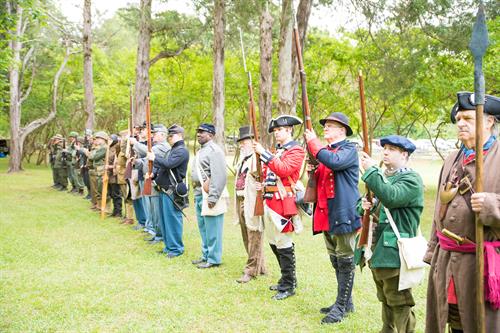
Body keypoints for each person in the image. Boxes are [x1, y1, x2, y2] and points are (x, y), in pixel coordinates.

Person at [424, 92, 500, 333]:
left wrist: (491, 206)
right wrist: (432, 250)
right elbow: (439, 208)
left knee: (482, 324)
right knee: (452, 319)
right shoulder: (451, 159)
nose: (460, 124)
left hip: (484, 265)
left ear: (489, 121)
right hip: (446, 261)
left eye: (468, 118)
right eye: (458, 119)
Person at [359, 135, 423, 332]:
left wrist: (372, 170)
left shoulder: (411, 179)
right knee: (385, 296)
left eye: (392, 149)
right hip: (378, 247)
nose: (385, 152)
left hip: (395, 249)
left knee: (399, 299)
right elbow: (371, 205)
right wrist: (364, 206)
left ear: (404, 155)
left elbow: (392, 197)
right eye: (385, 148)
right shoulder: (384, 177)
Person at [304, 112, 361, 322]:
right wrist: (312, 170)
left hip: (343, 212)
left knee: (345, 260)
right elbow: (322, 175)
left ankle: (340, 307)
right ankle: (345, 301)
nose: (325, 128)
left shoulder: (348, 149)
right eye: (325, 125)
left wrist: (313, 143)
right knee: (336, 260)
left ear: (342, 130)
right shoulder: (326, 152)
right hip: (327, 213)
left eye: (330, 125)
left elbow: (335, 162)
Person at [253, 115, 305, 300]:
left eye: (280, 130)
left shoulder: (296, 150)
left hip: (283, 203)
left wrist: (264, 154)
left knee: (284, 243)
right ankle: (285, 279)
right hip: (270, 201)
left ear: (289, 130)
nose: (276, 133)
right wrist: (264, 186)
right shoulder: (278, 150)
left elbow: (284, 170)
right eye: (275, 131)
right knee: (274, 242)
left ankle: (289, 284)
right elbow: (272, 175)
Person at [191, 123, 228, 269]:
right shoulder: (202, 150)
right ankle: (206, 255)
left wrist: (213, 198)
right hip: (199, 194)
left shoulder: (214, 151)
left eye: (202, 132)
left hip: (209, 195)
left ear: (211, 135)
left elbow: (219, 176)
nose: (199, 134)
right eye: (198, 132)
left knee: (213, 229)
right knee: (204, 228)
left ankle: (214, 259)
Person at [150, 124, 189, 258]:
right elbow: (163, 167)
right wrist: (154, 175)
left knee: (172, 220)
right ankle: (169, 246)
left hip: (172, 191)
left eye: (171, 136)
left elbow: (168, 164)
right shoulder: (173, 150)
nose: (169, 138)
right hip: (164, 189)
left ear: (179, 135)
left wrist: (154, 158)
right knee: (165, 220)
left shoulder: (181, 151)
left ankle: (176, 248)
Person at [234, 125, 267, 283]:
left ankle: (251, 270)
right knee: (246, 235)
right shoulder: (243, 158)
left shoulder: (257, 157)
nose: (242, 144)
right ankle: (260, 266)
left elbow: (265, 176)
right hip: (240, 199)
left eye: (245, 141)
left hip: (252, 200)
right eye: (241, 142)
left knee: (254, 235)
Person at [132, 124, 170, 243]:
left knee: (157, 211)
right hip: (150, 179)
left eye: (155, 134)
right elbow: (147, 159)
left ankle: (159, 235)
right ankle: (156, 233)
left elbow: (149, 153)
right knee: (152, 210)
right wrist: (137, 162)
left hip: (156, 180)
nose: (152, 136)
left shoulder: (162, 146)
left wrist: (135, 143)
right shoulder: (157, 146)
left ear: (163, 135)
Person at [106, 134, 122, 218]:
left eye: (110, 139)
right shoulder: (108, 148)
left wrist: (110, 166)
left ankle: (118, 211)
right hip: (109, 174)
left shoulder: (117, 148)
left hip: (114, 174)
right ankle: (115, 211)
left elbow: (118, 162)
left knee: (116, 194)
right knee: (111, 193)